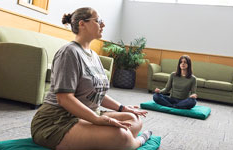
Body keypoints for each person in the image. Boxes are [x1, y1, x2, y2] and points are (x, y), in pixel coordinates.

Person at [31, 7, 152, 150]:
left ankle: (113, 141)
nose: (103, 25)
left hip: (87, 114)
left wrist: (122, 108)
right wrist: (97, 120)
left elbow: (96, 94)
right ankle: (137, 141)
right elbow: (64, 98)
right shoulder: (69, 52)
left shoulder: (94, 56)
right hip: (57, 121)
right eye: (98, 21)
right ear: (82, 24)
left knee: (133, 119)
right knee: (122, 135)